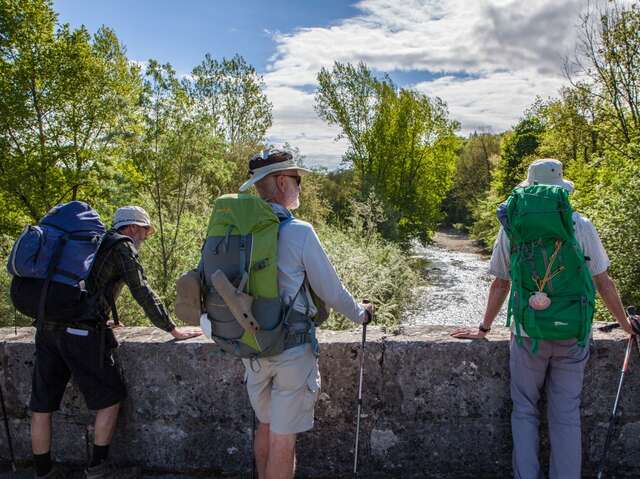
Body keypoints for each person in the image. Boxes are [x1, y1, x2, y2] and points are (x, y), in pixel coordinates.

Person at [451, 159, 640, 479]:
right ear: (562, 191)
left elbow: (500, 283)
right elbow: (603, 283)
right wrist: (625, 324)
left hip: (528, 333)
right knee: (565, 414)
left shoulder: (513, 227)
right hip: (573, 332)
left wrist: (484, 328)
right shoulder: (581, 224)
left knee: (524, 410)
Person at [30, 206, 201, 479]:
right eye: (144, 231)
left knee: (42, 404)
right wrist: (171, 329)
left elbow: (90, 285)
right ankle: (98, 469)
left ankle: (43, 472)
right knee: (110, 398)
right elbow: (142, 290)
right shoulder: (122, 247)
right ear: (132, 228)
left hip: (46, 328)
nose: (145, 237)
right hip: (81, 333)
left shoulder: (89, 244)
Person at [237, 150, 374, 479]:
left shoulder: (238, 229)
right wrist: (362, 315)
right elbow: (332, 292)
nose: (300, 187)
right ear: (282, 182)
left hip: (251, 346)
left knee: (265, 428)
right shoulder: (299, 232)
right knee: (284, 440)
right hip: (291, 350)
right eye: (297, 181)